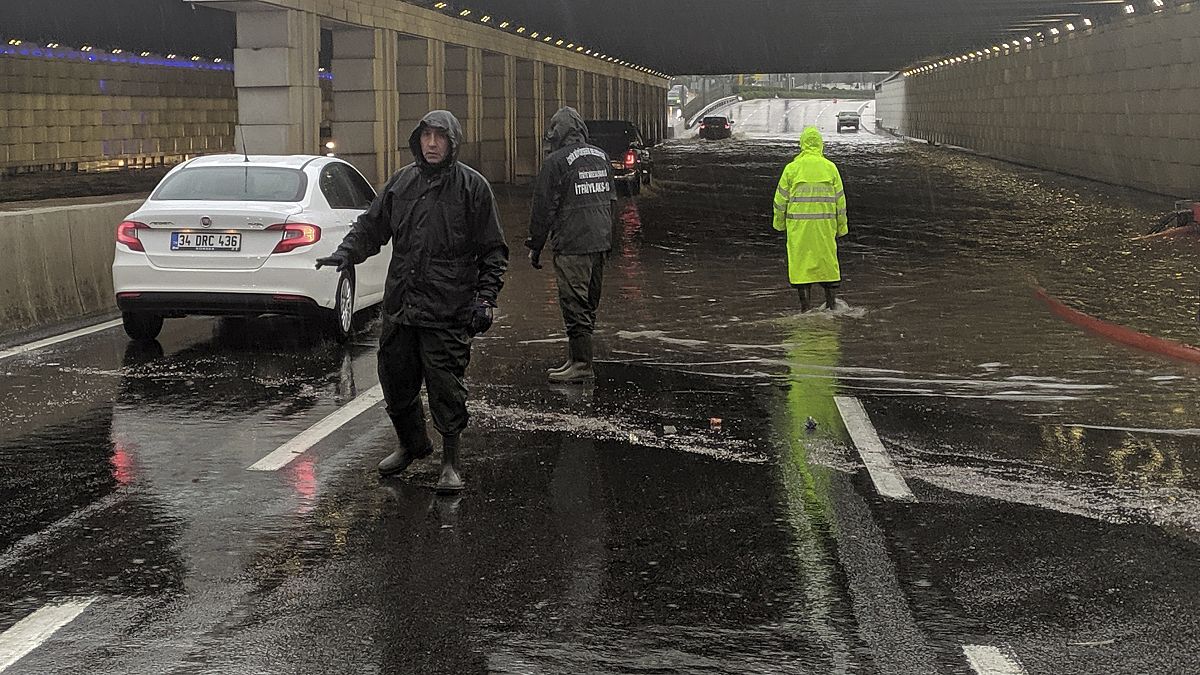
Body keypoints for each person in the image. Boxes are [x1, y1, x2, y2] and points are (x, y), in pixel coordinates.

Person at [316, 110, 508, 493]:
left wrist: (485, 298)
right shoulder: (401, 184)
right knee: (394, 379)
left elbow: (494, 251)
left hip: (447, 309)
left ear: (453, 142)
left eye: (440, 136)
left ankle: (451, 462)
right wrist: (347, 252)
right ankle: (411, 444)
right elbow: (372, 226)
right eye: (426, 136)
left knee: (446, 387)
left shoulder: (473, 188)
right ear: (417, 141)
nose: (432, 143)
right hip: (402, 305)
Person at [525, 107, 616, 382]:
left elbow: (543, 208)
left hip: (573, 245)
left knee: (574, 304)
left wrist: (535, 244)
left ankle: (581, 364)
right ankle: (577, 359)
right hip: (600, 243)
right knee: (588, 303)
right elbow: (612, 202)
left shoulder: (556, 162)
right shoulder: (602, 157)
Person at [772, 126, 848, 312]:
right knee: (827, 265)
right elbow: (840, 202)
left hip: (799, 229)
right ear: (821, 145)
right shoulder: (830, 168)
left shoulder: (792, 169)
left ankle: (805, 309)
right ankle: (831, 307)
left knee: (801, 268)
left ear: (802, 144)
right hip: (824, 229)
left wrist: (779, 224)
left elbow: (780, 201)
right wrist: (841, 228)